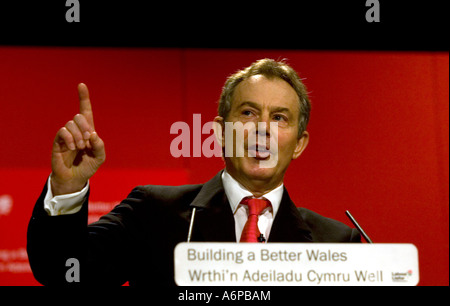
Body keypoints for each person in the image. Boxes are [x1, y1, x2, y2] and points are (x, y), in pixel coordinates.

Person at [27, 59, 361, 286]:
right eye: (248, 112)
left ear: (299, 143)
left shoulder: (336, 243)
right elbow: (64, 272)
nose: (263, 129)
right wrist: (67, 188)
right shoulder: (153, 211)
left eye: (279, 118)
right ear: (218, 132)